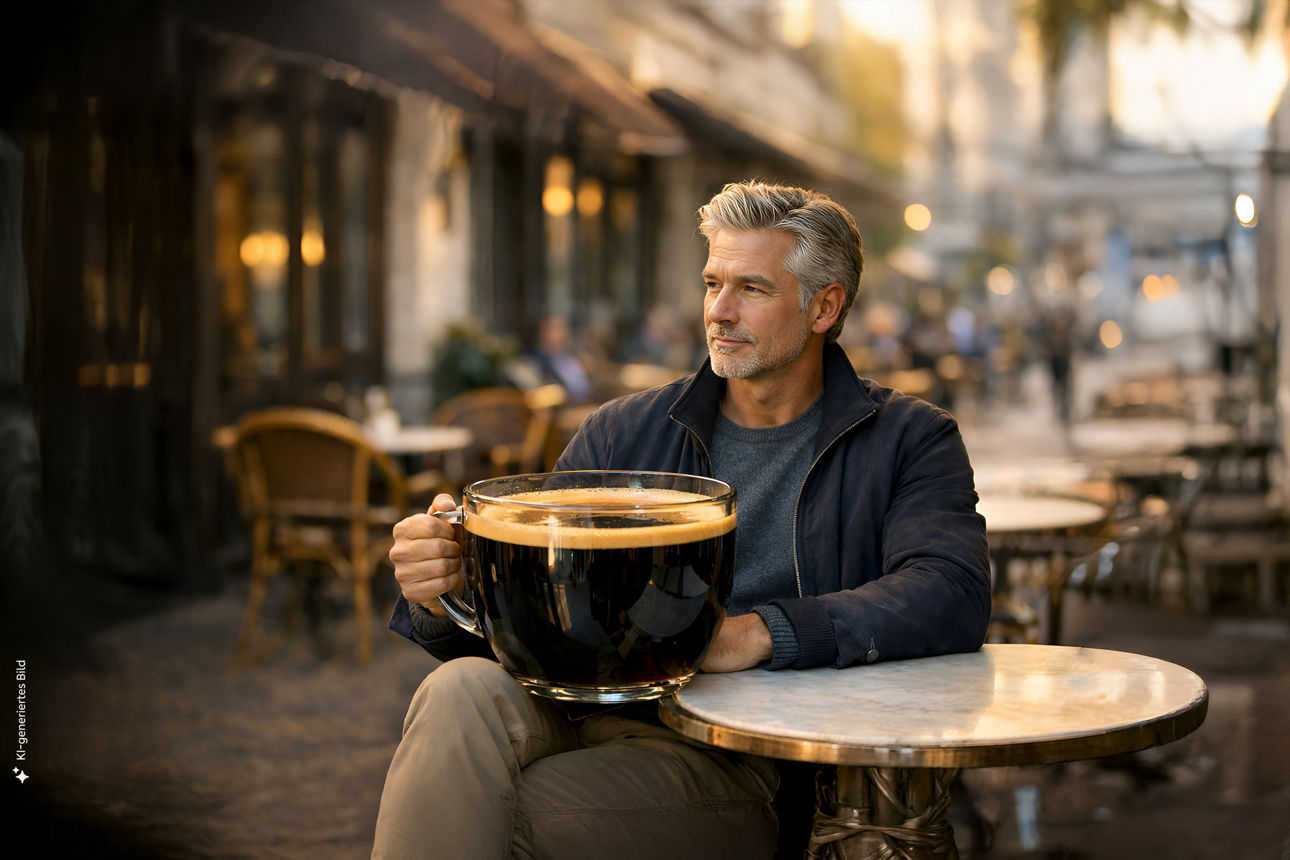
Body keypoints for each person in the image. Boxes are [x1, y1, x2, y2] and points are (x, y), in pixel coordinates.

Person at [373, 180, 991, 859]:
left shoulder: (908, 439)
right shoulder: (623, 430)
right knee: (455, 689)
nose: (718, 312)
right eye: (711, 283)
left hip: (740, 757)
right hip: (584, 704)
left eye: (751, 289)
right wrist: (441, 591)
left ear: (825, 306)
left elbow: (950, 593)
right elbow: (539, 618)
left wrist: (759, 634)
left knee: (492, 815)